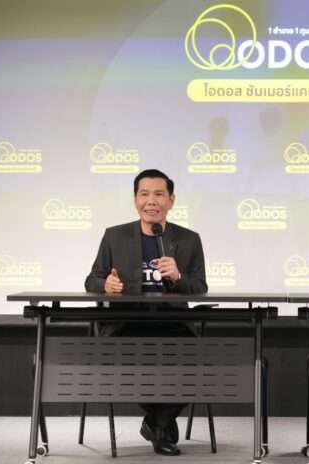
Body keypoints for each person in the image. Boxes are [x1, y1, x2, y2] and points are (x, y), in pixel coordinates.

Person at [85, 169, 207, 456]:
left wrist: (178, 277)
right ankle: (162, 426)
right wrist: (106, 285)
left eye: (159, 194)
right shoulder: (115, 236)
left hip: (174, 324)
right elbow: (92, 280)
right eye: (144, 194)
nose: (151, 201)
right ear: (135, 200)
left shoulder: (189, 240)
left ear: (171, 200)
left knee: (200, 361)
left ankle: (156, 423)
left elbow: (200, 287)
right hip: (127, 323)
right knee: (134, 361)